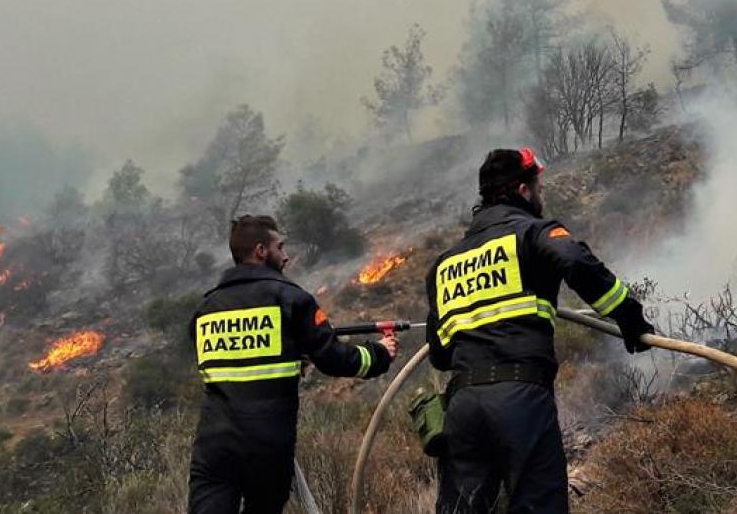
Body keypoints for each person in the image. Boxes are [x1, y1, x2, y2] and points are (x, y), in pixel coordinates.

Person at [426, 148, 655, 513]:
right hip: (520, 399)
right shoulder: (533, 232)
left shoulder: (445, 263)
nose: (541, 195)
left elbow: (439, 355)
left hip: (463, 407)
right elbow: (578, 261)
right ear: (522, 190)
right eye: (539, 186)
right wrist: (630, 319)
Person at [189, 214, 398, 514]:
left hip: (213, 445)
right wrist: (379, 353)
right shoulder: (290, 299)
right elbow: (334, 359)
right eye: (280, 247)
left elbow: (231, 360)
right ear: (261, 251)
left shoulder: (205, 308)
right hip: (266, 443)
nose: (286, 256)